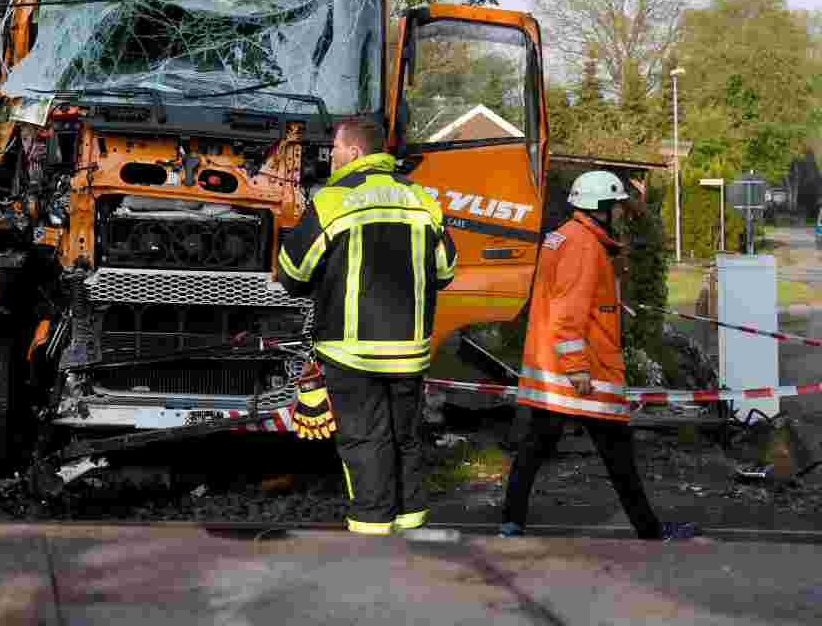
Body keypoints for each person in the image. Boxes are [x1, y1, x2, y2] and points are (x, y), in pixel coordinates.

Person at [498, 170, 698, 541]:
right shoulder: (584, 247)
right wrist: (577, 369)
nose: (622, 213)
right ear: (601, 208)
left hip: (554, 371)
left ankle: (511, 524)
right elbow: (568, 312)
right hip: (584, 375)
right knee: (618, 456)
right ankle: (651, 532)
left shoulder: (570, 238)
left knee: (536, 448)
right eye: (618, 207)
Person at [278, 119, 456, 535]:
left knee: (365, 442)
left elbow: (292, 272)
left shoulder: (333, 200)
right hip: (410, 350)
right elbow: (446, 270)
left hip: (351, 352)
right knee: (405, 438)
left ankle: (372, 534)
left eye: (336, 148)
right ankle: (412, 524)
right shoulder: (422, 199)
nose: (331, 156)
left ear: (355, 152)